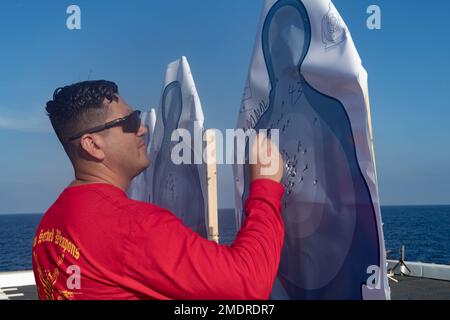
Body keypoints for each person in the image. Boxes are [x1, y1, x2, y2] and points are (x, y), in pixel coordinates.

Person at [32, 80, 285, 300]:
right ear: (93, 145)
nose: (142, 129)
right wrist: (266, 186)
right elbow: (248, 284)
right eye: (129, 123)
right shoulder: (131, 226)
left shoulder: (49, 225)